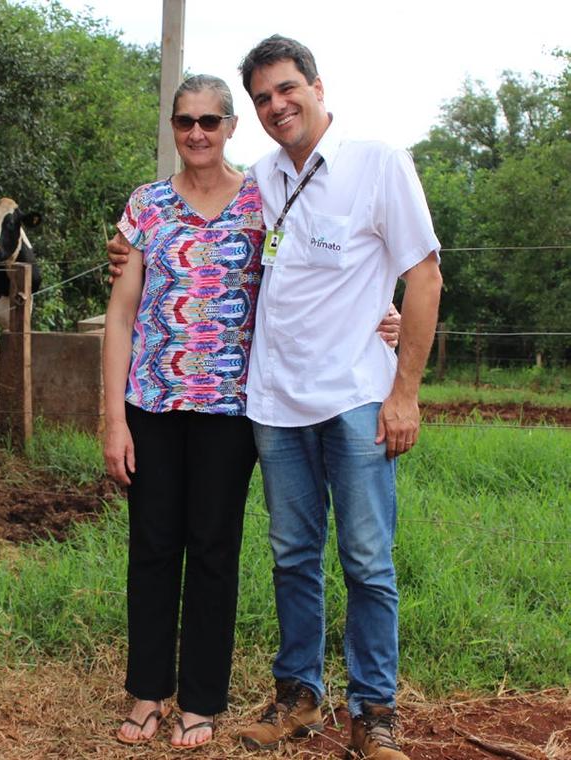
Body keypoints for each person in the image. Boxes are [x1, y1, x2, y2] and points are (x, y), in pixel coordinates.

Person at [108, 35, 442, 760]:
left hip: (351, 397)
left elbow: (423, 275)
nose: (275, 105)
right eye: (262, 97)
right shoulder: (262, 180)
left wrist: (403, 388)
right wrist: (125, 250)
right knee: (291, 553)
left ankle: (373, 711)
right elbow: (210, 269)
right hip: (271, 402)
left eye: (285, 89)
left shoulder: (376, 163)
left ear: (317, 87)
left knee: (365, 557)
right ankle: (298, 698)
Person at [104, 74, 262, 750]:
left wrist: (382, 311)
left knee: (214, 551)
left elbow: (318, 274)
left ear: (230, 126)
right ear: (172, 126)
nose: (196, 132)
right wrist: (113, 419)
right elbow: (119, 315)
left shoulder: (264, 199)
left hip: (231, 409)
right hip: (153, 404)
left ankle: (199, 701)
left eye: (209, 120)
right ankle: (146, 694)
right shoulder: (145, 204)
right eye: (184, 120)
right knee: (153, 547)